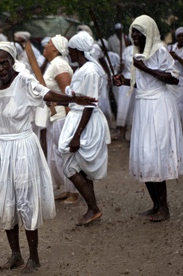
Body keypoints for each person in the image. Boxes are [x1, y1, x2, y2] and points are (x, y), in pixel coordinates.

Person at [0, 41, 97, 274]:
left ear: (12, 61)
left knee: (26, 202)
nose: (0, 68)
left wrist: (73, 100)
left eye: (4, 62)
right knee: (7, 202)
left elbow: (47, 93)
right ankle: (15, 255)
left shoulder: (24, 80)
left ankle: (34, 258)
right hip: (2, 147)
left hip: (23, 146)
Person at [113, 15, 183, 222]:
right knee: (144, 156)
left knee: (156, 156)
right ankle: (155, 205)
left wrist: (146, 68)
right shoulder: (137, 53)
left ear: (148, 32)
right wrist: (123, 81)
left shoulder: (160, 50)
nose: (134, 35)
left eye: (139, 32)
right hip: (143, 107)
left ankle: (164, 208)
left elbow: (174, 78)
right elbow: (140, 83)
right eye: (132, 31)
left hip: (159, 107)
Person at [58, 31, 111, 226]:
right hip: (79, 117)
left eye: (71, 50)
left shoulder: (89, 71)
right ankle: (92, 208)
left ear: (78, 50)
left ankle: (94, 208)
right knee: (80, 168)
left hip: (84, 120)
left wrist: (77, 135)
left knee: (70, 166)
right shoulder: (84, 69)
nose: (69, 54)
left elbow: (88, 104)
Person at [42, 35, 79, 204]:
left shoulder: (60, 65)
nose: (45, 46)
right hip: (55, 116)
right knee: (57, 156)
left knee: (65, 155)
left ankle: (74, 193)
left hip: (63, 117)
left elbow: (67, 93)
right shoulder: (54, 64)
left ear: (55, 48)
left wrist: (69, 119)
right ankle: (67, 188)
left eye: (48, 43)